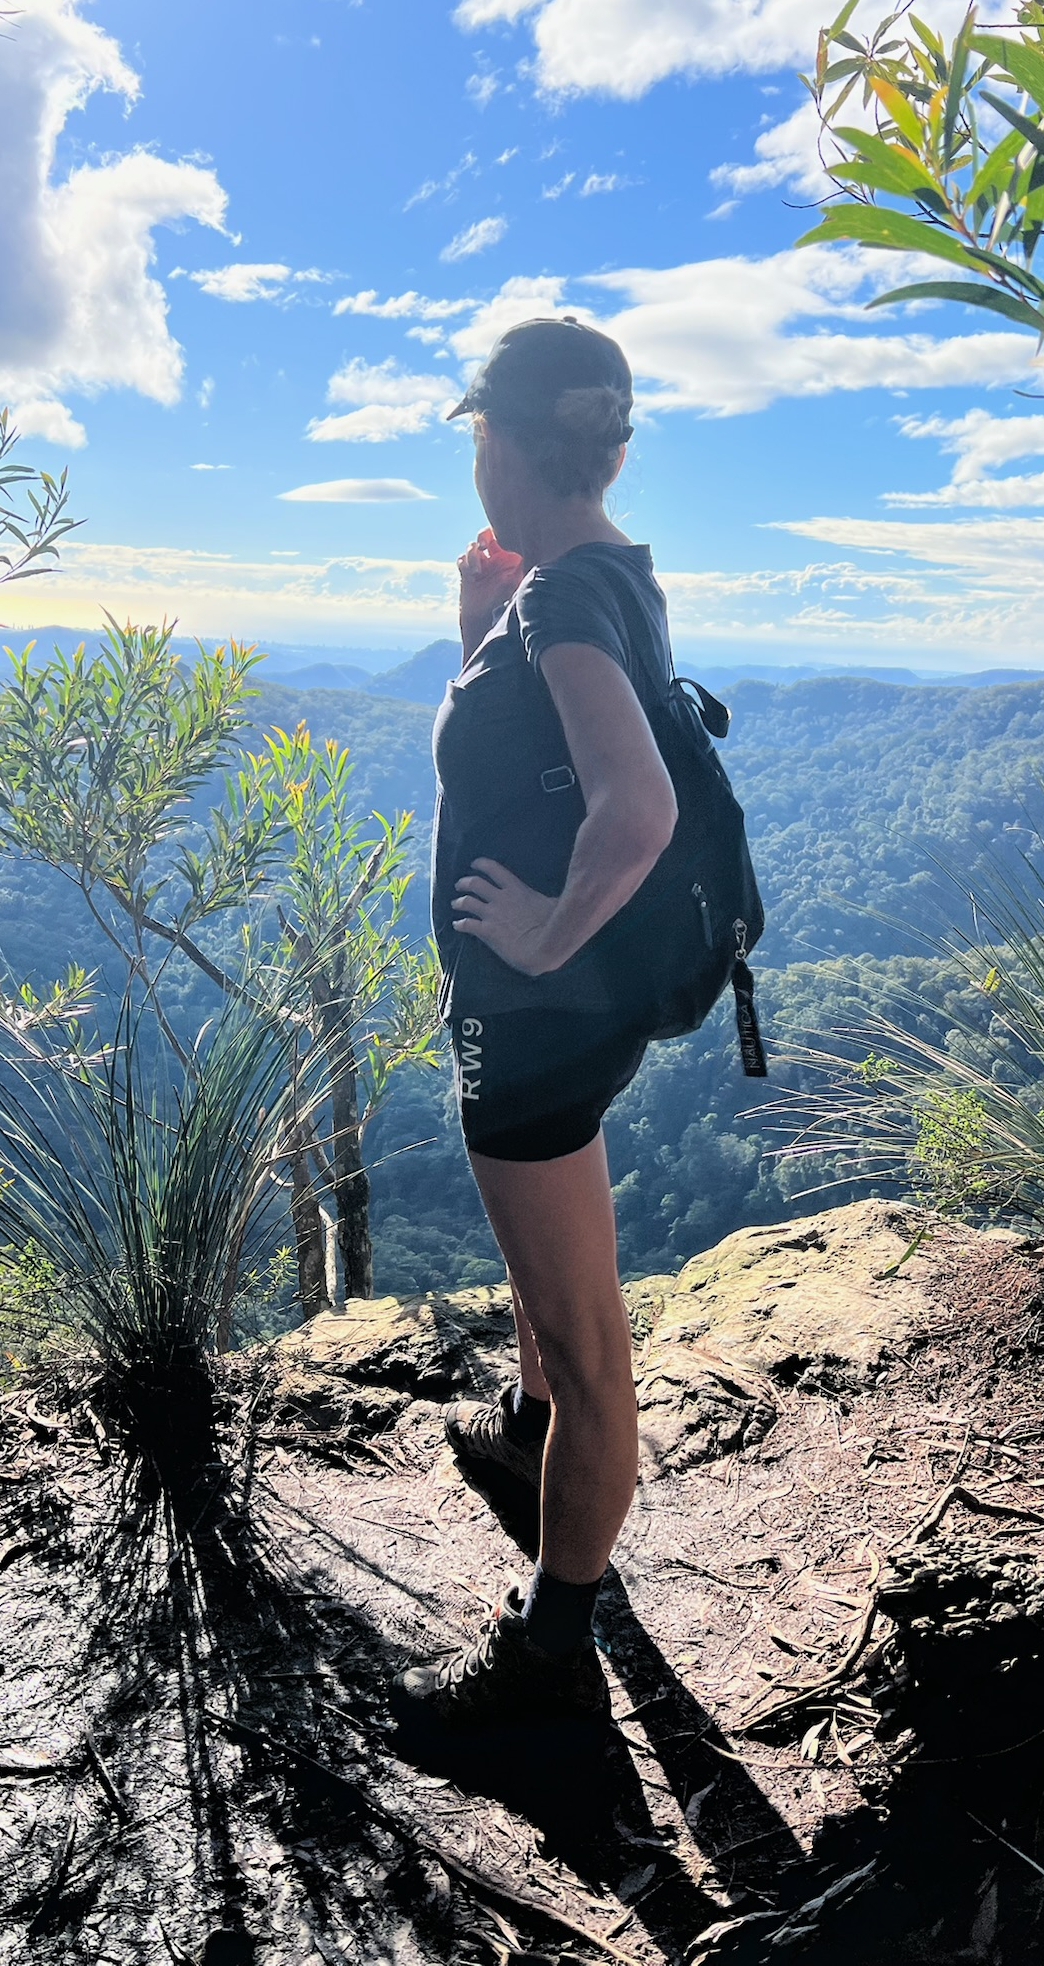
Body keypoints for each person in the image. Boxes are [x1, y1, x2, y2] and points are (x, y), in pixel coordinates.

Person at [391, 317, 680, 1730]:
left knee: (585, 1347)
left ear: (501, 444)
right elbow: (549, 771)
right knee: (543, 1286)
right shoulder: (600, 578)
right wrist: (478, 636)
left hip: (540, 1017)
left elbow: (638, 808)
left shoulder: (565, 604)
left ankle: (551, 1653)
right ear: (612, 450)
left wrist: (542, 930)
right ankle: (529, 1443)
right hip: (577, 1009)